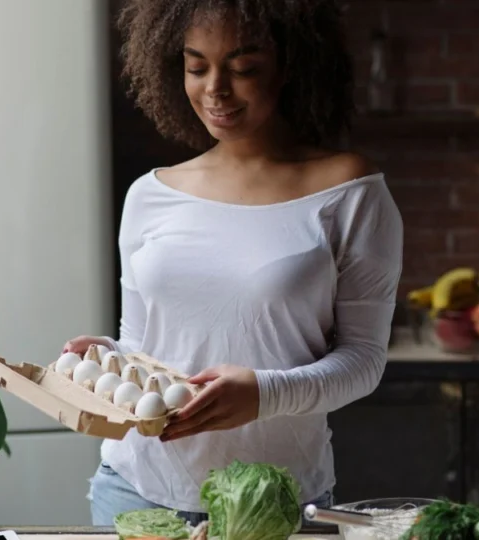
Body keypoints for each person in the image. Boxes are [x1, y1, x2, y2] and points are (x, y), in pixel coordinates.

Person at [63, 0, 404, 527]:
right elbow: (143, 342)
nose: (215, 89)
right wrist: (107, 360)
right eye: (196, 66)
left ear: (290, 65)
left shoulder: (348, 190)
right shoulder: (150, 194)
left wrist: (265, 394)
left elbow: (364, 360)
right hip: (135, 490)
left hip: (274, 501)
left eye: (244, 69)